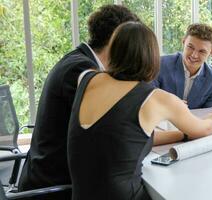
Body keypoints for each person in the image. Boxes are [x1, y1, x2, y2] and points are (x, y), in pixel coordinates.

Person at [67, 21, 212, 200]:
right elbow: (204, 129)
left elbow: (126, 135)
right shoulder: (156, 98)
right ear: (152, 56)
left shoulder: (86, 78)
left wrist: (182, 134)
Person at [18, 5, 141, 199]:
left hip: (51, 175)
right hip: (54, 186)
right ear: (116, 39)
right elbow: (121, 135)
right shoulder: (83, 72)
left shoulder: (78, 60)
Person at [152, 23, 212, 109]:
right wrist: (169, 103)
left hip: (195, 121)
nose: (194, 55)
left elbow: (211, 112)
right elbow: (147, 98)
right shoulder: (160, 64)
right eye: (190, 47)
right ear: (184, 42)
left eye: (202, 51)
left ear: (211, 52)